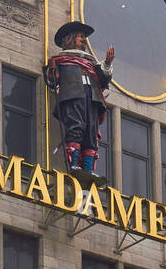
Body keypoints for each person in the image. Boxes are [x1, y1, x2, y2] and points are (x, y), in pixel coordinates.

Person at [44, 22, 116, 179]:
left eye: (84, 38)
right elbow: (52, 81)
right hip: (73, 96)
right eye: (81, 37)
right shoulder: (61, 60)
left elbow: (103, 80)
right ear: (71, 39)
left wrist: (108, 63)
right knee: (76, 128)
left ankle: (88, 170)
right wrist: (52, 70)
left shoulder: (90, 63)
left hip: (91, 99)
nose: (83, 40)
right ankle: (74, 165)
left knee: (91, 134)